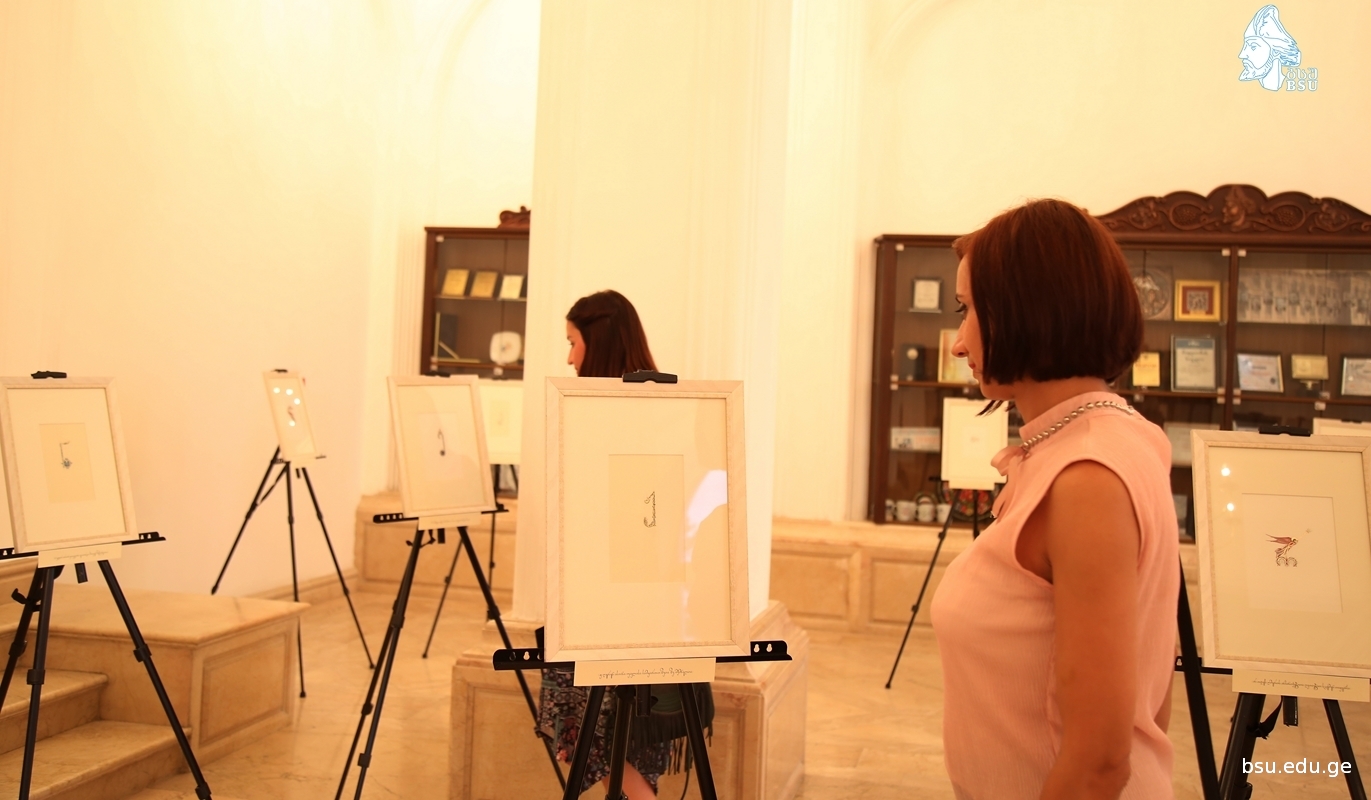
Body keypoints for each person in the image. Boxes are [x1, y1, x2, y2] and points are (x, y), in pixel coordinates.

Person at [929, 199, 1178, 799]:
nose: (959, 344)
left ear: (1030, 308)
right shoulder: (1110, 438)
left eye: (969, 310)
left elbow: (1099, 761)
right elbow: (1151, 687)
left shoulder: (1086, 475)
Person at [539, 289, 711, 799]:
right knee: (622, 737)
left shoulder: (611, 416)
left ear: (599, 342)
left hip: (614, 605)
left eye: (573, 342)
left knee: (601, 731)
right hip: (648, 603)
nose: (569, 358)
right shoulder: (663, 411)